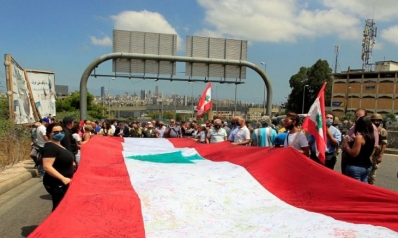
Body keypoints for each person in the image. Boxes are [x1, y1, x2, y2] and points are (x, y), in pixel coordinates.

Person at [41, 123, 75, 211]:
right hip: (56, 184)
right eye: (55, 132)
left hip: (62, 182)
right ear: (49, 133)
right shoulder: (51, 147)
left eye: (61, 131)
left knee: (61, 207)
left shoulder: (58, 145)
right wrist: (63, 178)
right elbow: (47, 167)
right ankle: (53, 224)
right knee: (59, 209)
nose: (59, 133)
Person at [341, 108, 379, 175]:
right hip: (348, 158)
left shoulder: (371, 128)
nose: (358, 118)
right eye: (356, 116)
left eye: (360, 116)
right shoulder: (354, 126)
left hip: (358, 162)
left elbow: (375, 145)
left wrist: (367, 157)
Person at [342, 116, 375, 183]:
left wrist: (346, 144)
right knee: (364, 188)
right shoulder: (372, 137)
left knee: (354, 189)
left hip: (356, 166)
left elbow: (353, 153)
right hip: (367, 166)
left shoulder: (359, 137)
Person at [368, 114, 388, 185]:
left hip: (376, 154)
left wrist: (380, 156)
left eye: (378, 121)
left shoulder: (382, 131)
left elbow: (384, 144)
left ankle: (370, 184)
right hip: (368, 152)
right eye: (374, 120)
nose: (376, 122)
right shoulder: (368, 129)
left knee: (372, 171)